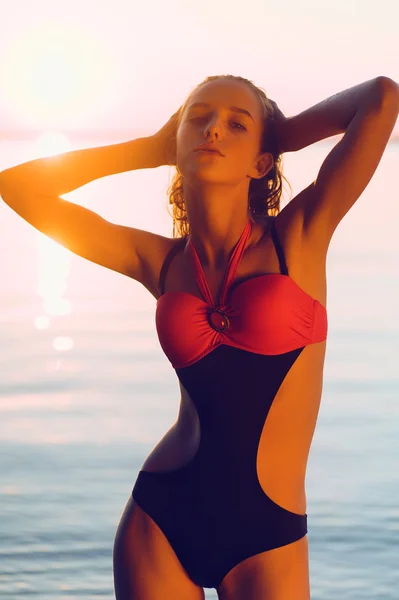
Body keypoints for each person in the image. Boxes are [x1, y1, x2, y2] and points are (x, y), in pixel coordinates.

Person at [0, 74, 397, 600]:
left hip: (267, 534)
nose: (214, 130)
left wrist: (284, 134)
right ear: (177, 139)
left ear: (261, 161)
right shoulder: (160, 263)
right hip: (161, 517)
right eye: (199, 117)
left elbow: (383, 98)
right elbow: (17, 187)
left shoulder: (300, 236)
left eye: (237, 124)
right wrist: (147, 150)